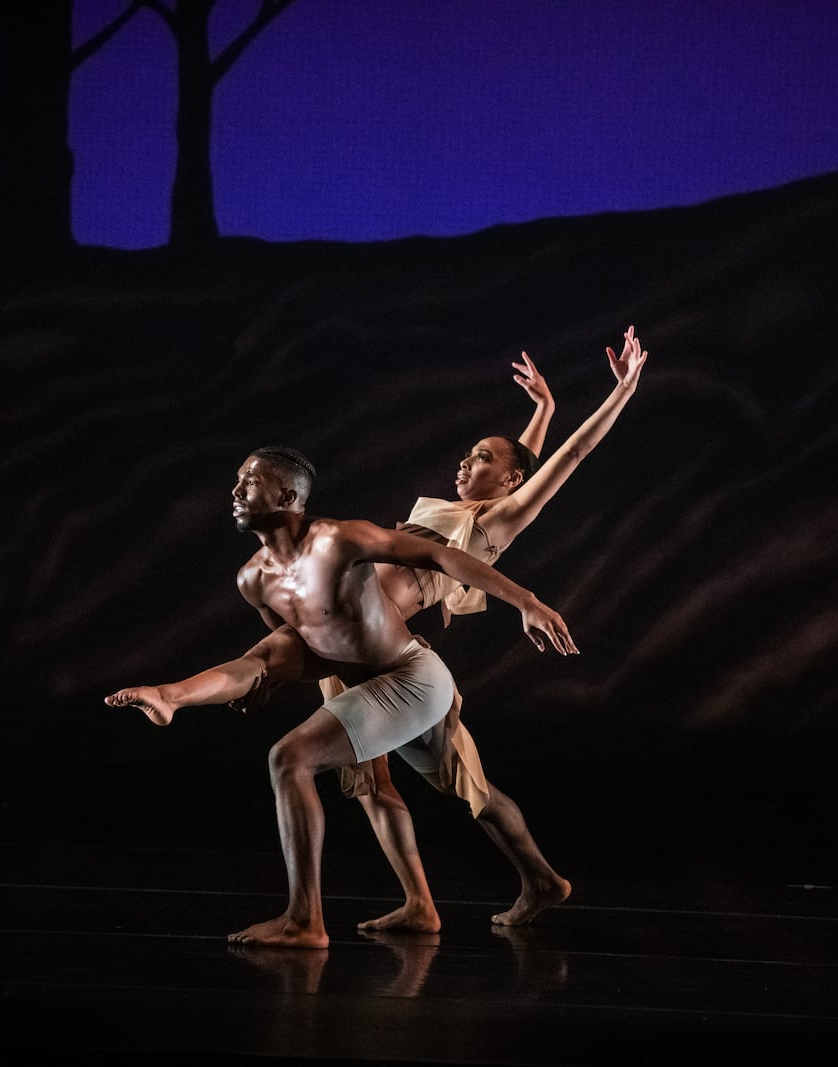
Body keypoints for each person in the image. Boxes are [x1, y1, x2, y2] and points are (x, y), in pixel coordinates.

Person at [105, 445, 578, 948]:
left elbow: (444, 553)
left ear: (288, 496)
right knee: (428, 788)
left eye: (250, 481)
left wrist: (526, 601)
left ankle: (304, 921)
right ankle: (504, 888)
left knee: (291, 758)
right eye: (238, 480)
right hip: (357, 679)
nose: (236, 491)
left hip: (411, 678)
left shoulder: (342, 539)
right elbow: (292, 647)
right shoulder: (254, 579)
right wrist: (264, 682)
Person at [327, 325, 649, 933]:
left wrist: (622, 392)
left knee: (466, 786)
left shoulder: (495, 523)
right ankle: (423, 905)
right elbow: (520, 460)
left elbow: (563, 460)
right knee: (366, 779)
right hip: (351, 648)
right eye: (470, 452)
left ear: (508, 485)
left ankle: (542, 879)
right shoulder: (462, 510)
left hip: (389, 657)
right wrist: (544, 408)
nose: (465, 461)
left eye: (480, 458)